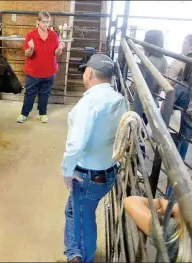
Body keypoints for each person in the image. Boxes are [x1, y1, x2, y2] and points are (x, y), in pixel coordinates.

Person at [61, 54, 128, 263]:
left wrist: (67, 170)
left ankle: (82, 257)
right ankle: (75, 253)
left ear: (89, 73)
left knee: (83, 219)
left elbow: (76, 145)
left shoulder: (88, 103)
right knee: (75, 211)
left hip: (88, 175)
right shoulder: (119, 100)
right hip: (108, 171)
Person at [16, 11, 65, 123]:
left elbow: (56, 54)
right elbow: (27, 54)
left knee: (45, 94)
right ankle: (24, 114)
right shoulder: (31, 35)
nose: (46, 25)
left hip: (49, 71)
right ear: (37, 22)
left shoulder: (53, 35)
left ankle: (42, 113)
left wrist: (60, 48)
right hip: (33, 72)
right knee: (30, 94)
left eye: (48, 22)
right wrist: (31, 48)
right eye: (43, 22)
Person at [133, 29, 168, 122]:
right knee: (144, 125)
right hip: (153, 99)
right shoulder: (164, 60)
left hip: (142, 101)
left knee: (137, 126)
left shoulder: (147, 61)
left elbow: (138, 85)